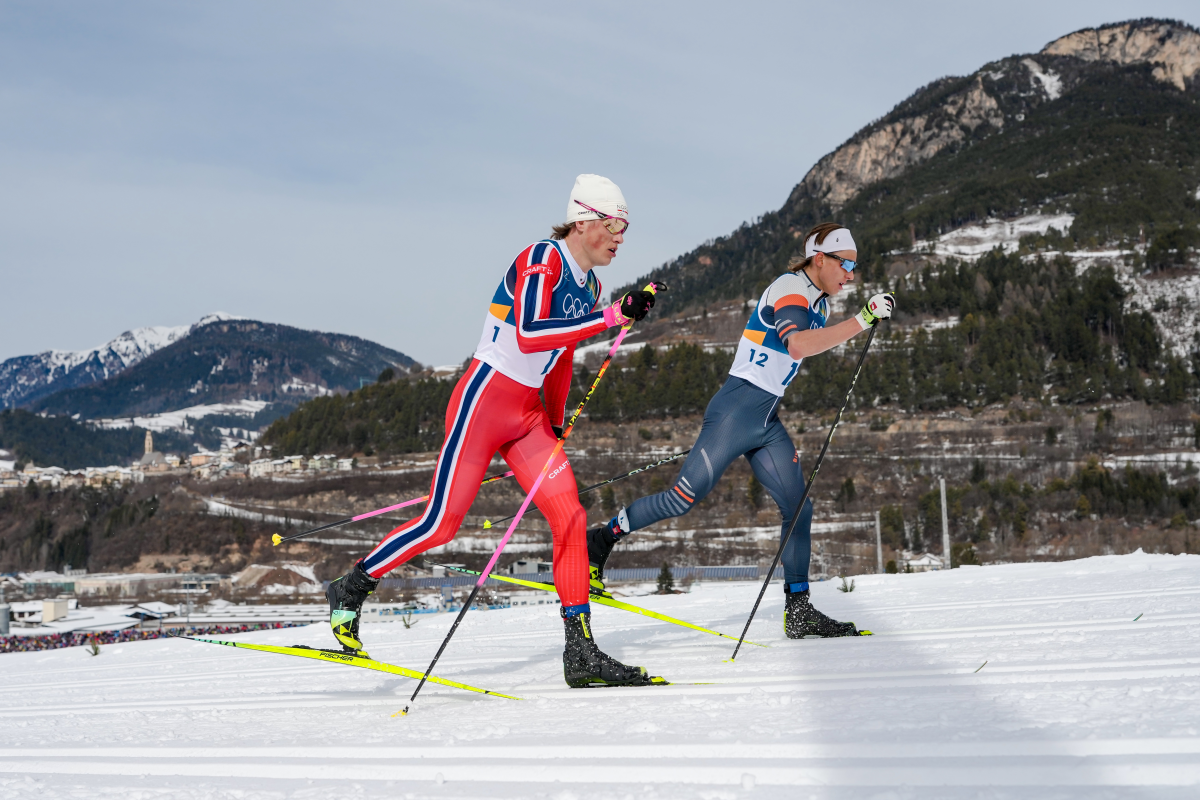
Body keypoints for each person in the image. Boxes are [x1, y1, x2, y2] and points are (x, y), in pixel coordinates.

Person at [327, 174, 663, 687]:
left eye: (625, 228)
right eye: (616, 225)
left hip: (527, 416)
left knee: (570, 516)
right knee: (441, 524)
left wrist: (552, 422)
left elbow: (561, 357)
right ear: (584, 220)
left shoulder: (590, 285)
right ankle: (352, 586)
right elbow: (530, 335)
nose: (621, 237)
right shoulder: (543, 258)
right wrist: (612, 317)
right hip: (484, 403)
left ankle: (581, 653)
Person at [587, 222, 894, 638]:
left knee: (798, 508)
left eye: (855, 267)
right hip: (734, 414)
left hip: (765, 420)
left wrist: (859, 321)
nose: (851, 275)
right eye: (846, 264)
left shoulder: (817, 299)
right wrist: (862, 319)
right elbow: (799, 345)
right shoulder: (790, 288)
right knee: (680, 500)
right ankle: (601, 541)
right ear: (819, 259)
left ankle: (799, 609)